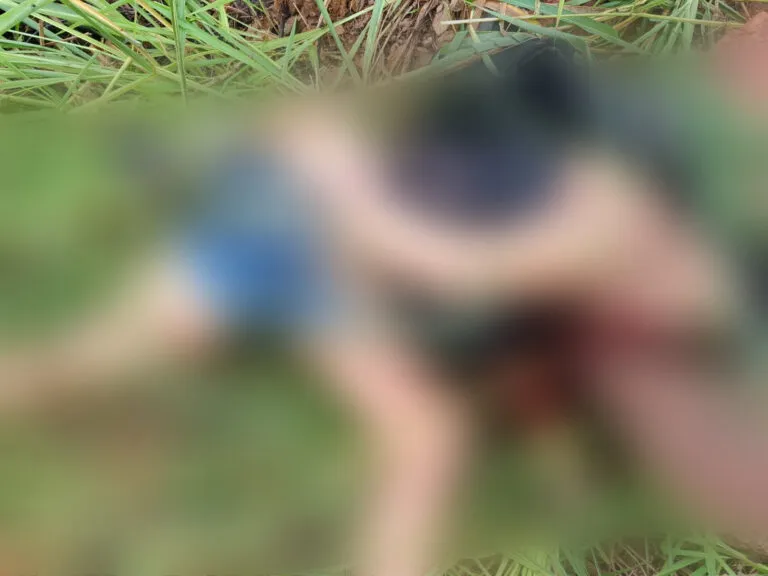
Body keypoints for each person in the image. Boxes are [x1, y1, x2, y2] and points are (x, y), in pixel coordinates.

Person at [1, 39, 766, 576]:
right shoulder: (611, 225)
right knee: (421, 440)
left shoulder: (645, 271)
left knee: (112, 354)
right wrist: (335, 178)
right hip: (310, 231)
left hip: (335, 240)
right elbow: (443, 262)